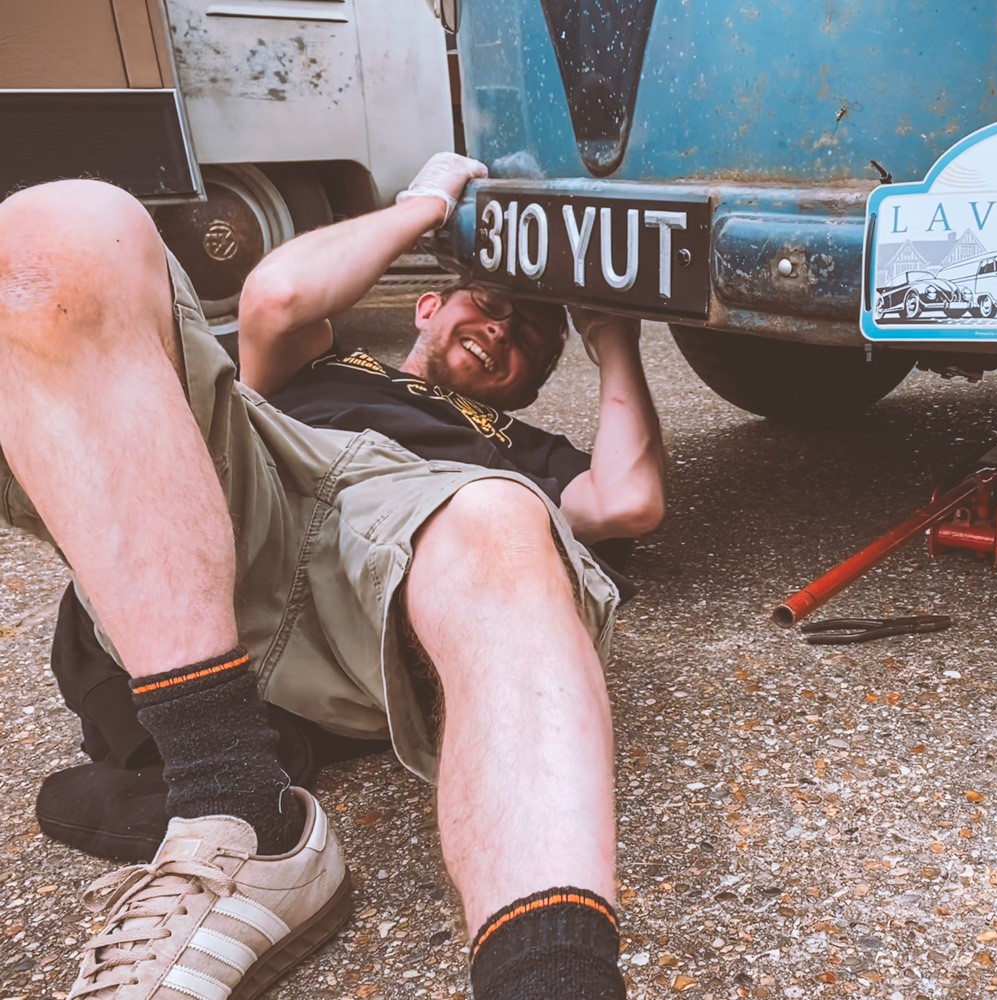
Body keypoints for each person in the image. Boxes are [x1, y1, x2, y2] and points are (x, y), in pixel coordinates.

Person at [0, 151, 664, 999]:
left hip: (410, 564)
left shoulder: (524, 448)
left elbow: (630, 500)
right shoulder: (322, 363)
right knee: (59, 224)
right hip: (246, 509)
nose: (503, 331)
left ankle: (549, 979)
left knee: (502, 516)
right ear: (428, 303)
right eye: (489, 306)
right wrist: (426, 206)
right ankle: (237, 797)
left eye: (530, 342)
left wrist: (613, 337)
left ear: (532, 383)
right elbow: (275, 296)